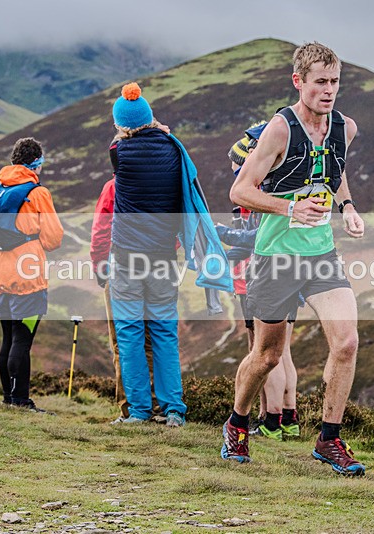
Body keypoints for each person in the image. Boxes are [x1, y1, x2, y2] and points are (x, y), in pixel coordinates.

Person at [222, 42, 366, 476]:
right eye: (320, 82)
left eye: (335, 82)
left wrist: (347, 206)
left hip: (321, 254)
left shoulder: (345, 128)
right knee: (267, 356)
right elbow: (240, 190)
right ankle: (237, 424)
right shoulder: (280, 130)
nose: (329, 90)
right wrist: (290, 208)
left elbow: (335, 171)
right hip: (276, 257)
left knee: (347, 342)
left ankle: (328, 440)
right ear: (298, 81)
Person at [106, 82, 230, 427]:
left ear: (121, 124)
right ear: (150, 117)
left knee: (130, 333)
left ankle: (139, 410)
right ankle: (174, 408)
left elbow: (122, 142)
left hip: (126, 257)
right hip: (162, 255)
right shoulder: (175, 151)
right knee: (163, 331)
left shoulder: (119, 152)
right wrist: (160, 130)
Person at [218, 127, 300, 441]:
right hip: (291, 272)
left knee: (263, 351)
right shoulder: (284, 186)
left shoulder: (261, 195)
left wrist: (221, 234)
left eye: (236, 168)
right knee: (283, 350)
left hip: (263, 279)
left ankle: (271, 420)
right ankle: (289, 418)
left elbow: (256, 238)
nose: (235, 175)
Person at [0, 137, 63, 413]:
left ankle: (8, 397)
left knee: (7, 338)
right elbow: (53, 239)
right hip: (27, 280)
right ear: (36, 163)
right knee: (22, 340)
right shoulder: (37, 193)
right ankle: (21, 400)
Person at [91, 175, 160, 422]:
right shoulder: (160, 182)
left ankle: (131, 408)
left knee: (124, 339)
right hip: (158, 268)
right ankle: (158, 406)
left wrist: (100, 267)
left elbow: (101, 230)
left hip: (120, 269)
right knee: (153, 340)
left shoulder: (114, 187)